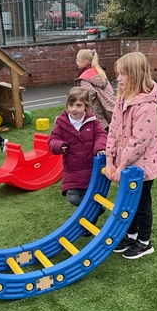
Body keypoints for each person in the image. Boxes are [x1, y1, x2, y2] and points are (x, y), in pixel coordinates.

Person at [105, 52, 157, 259]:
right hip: (126, 164)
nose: (118, 79)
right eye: (118, 74)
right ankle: (131, 235)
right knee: (128, 202)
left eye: (123, 74)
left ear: (136, 74)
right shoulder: (122, 99)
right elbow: (113, 130)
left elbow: (139, 140)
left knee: (141, 204)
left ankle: (145, 242)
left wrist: (121, 166)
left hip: (142, 166)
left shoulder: (147, 105)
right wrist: (109, 160)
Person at [48, 87, 108, 234]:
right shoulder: (62, 123)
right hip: (72, 169)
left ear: (86, 106)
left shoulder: (92, 121)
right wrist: (59, 145)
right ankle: (97, 209)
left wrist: (100, 147)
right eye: (71, 105)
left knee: (89, 196)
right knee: (73, 197)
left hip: (90, 169)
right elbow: (52, 140)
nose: (74, 109)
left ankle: (88, 225)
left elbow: (101, 135)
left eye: (78, 105)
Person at [75, 48, 116, 131]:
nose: (76, 62)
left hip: (96, 114)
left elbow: (88, 95)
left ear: (84, 62)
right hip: (108, 110)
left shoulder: (84, 78)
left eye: (77, 60)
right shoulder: (99, 72)